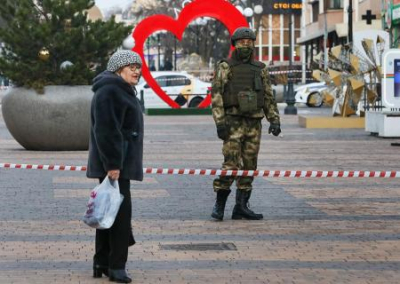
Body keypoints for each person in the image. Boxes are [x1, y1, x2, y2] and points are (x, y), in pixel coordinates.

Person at [211, 27, 281, 221]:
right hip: (232, 122)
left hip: (253, 122)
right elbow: (216, 95)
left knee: (250, 164)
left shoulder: (260, 68)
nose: (246, 45)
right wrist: (220, 122)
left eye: (249, 42)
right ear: (234, 44)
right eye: (242, 42)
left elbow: (267, 96)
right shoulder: (225, 66)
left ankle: (241, 206)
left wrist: (274, 119)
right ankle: (220, 204)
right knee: (231, 164)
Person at [86, 50, 144, 283]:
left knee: (107, 211)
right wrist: (113, 164)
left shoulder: (118, 89)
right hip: (115, 164)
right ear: (118, 69)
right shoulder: (110, 91)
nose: (136, 71)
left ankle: (101, 260)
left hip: (118, 162)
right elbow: (107, 130)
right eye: (131, 67)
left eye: (138, 66)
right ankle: (117, 266)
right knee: (120, 216)